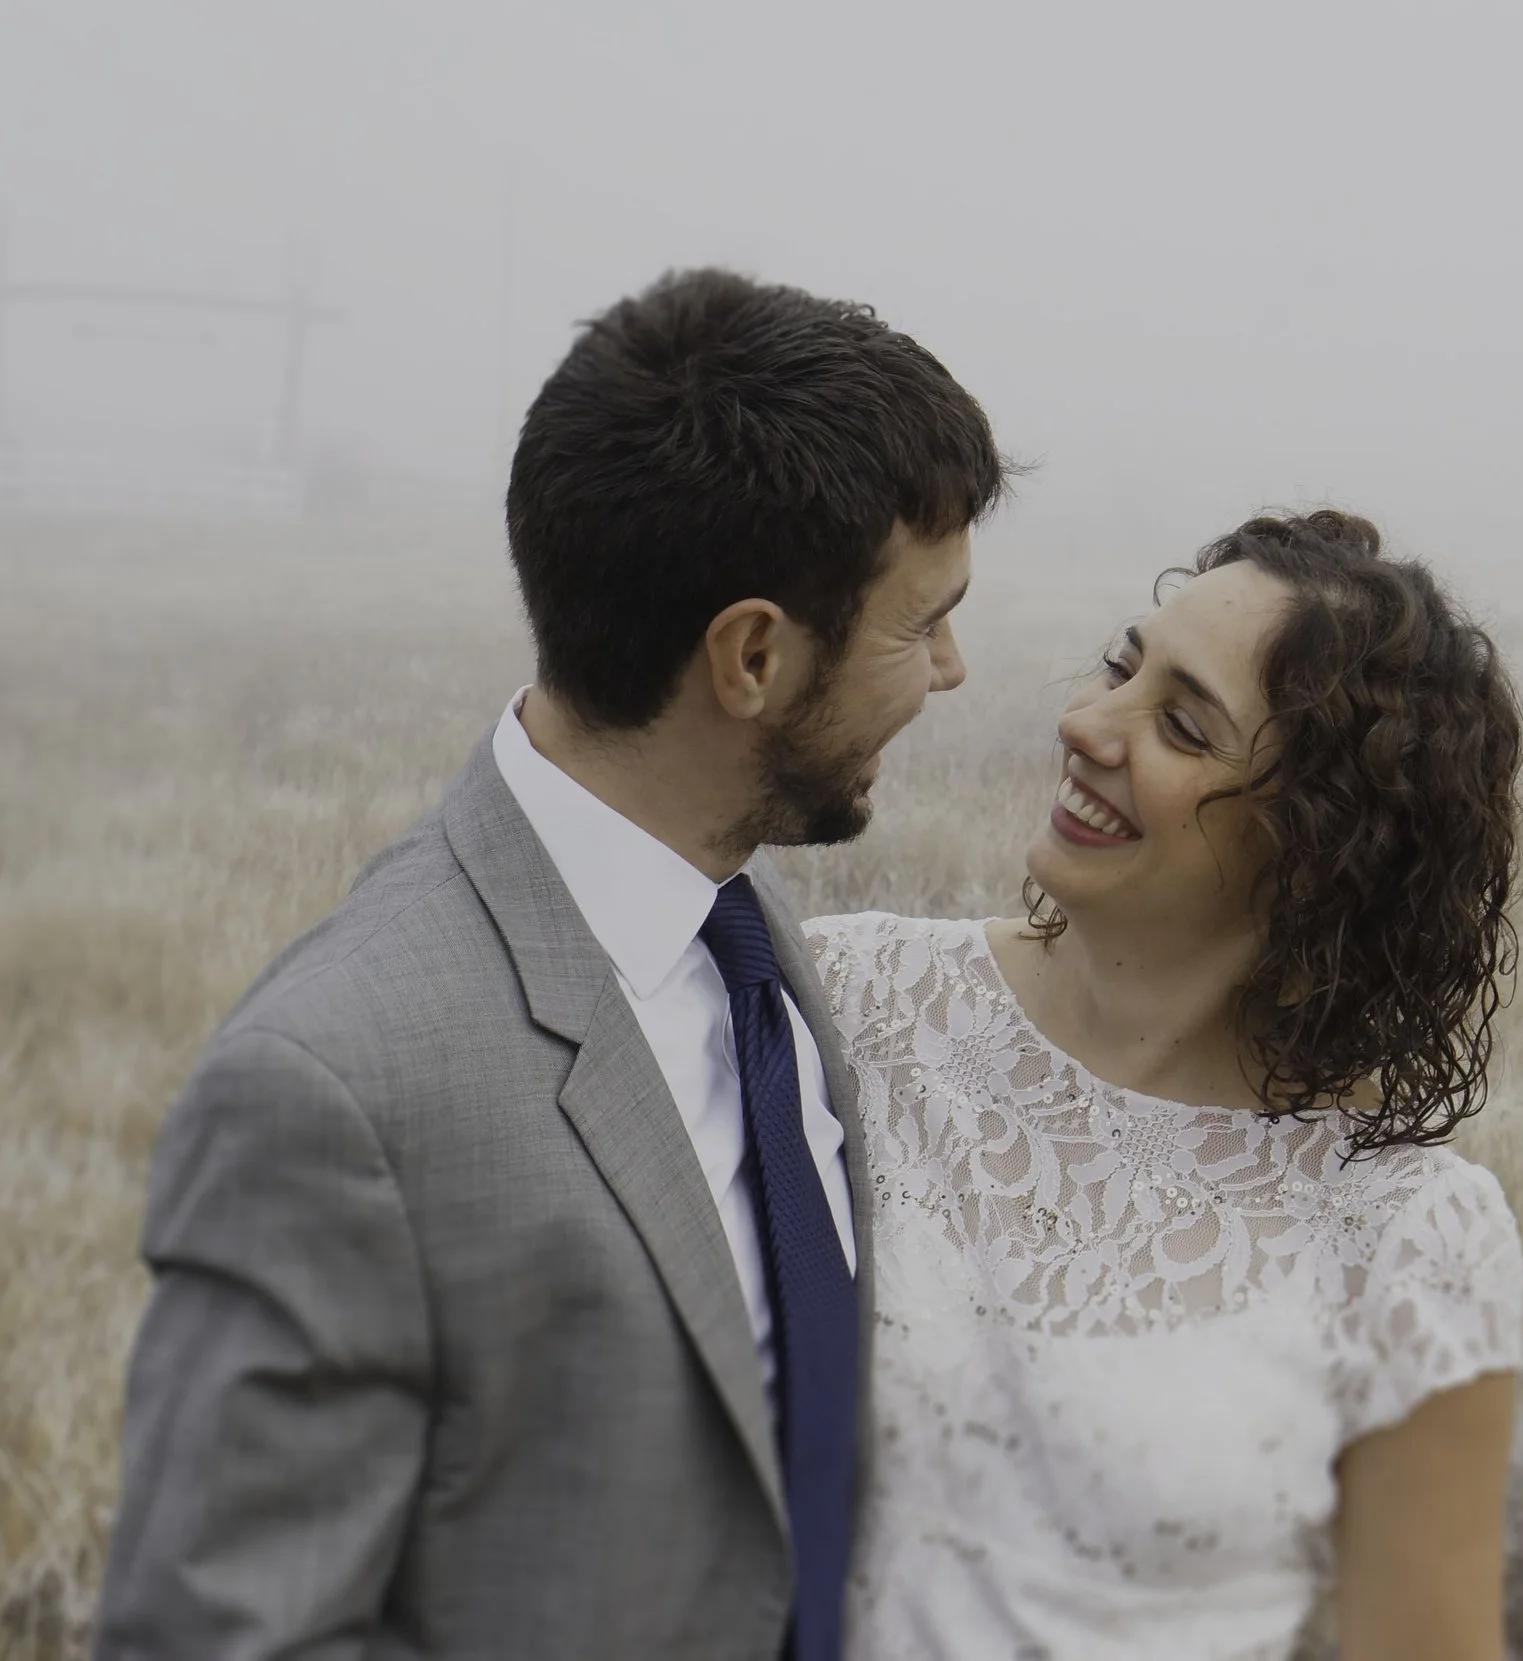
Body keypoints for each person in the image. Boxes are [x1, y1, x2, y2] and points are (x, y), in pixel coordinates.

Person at [92, 268, 1005, 1661]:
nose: (948, 668)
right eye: (918, 620)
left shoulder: (739, 922)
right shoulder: (332, 1090)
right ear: (751, 656)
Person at [806, 509, 1523, 1661]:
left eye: (1183, 725)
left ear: (1318, 847)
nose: (1085, 723)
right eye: (1120, 669)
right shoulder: (851, 1000)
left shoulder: (1409, 1233)